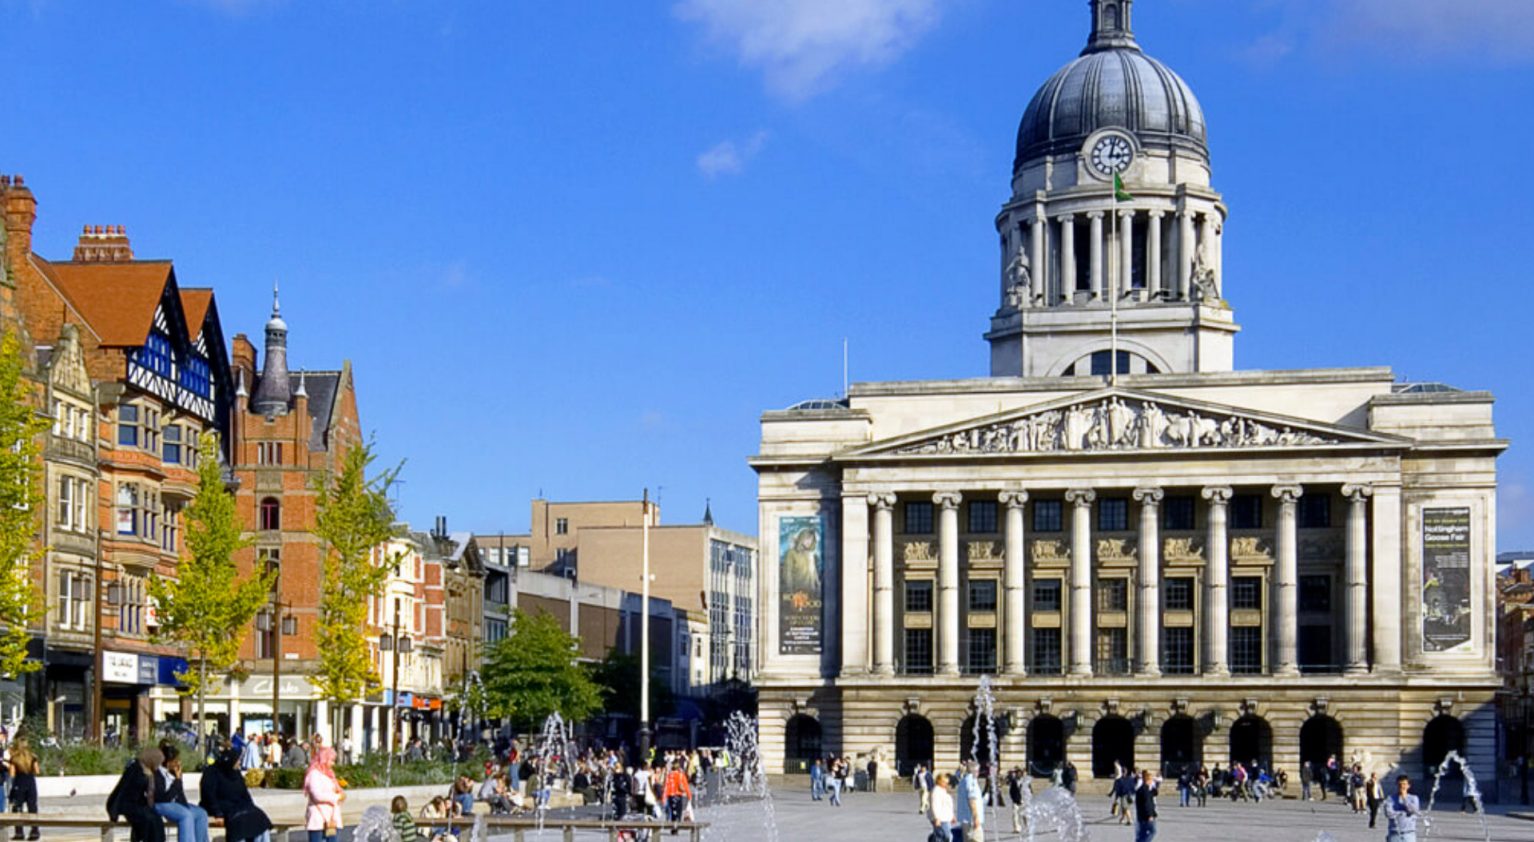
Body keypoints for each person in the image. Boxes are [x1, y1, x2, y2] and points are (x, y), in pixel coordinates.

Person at [200, 745, 273, 842]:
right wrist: (218, 813)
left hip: (239, 805)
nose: (239, 763)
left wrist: (251, 806)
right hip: (222, 806)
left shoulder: (235, 773)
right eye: (237, 760)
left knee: (259, 819)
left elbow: (245, 793)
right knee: (240, 822)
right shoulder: (212, 772)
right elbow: (209, 795)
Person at [153, 744, 211, 842]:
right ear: (168, 762)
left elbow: (179, 793)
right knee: (186, 815)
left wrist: (184, 803)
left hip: (175, 803)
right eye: (175, 761)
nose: (178, 763)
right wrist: (177, 780)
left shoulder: (173, 772)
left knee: (201, 813)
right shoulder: (156, 774)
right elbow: (164, 798)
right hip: (161, 804)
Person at [107, 748, 166, 842]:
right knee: (148, 819)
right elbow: (122, 790)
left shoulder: (150, 770)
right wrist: (114, 813)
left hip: (139, 804)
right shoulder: (135, 769)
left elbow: (158, 790)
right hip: (128, 805)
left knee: (156, 820)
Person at [303, 746, 345, 842]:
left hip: (332, 819)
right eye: (331, 760)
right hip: (318, 820)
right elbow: (317, 795)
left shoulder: (330, 774)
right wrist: (337, 797)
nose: (333, 764)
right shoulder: (314, 774)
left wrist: (340, 792)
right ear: (324, 759)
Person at [7, 738, 39, 841]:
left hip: (19, 783)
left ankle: (19, 832)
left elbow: (11, 774)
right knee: (32, 807)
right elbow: (37, 771)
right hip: (30, 782)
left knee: (17, 808)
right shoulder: (33, 757)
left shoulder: (15, 758)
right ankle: (34, 831)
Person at [1382, 775, 1420, 842]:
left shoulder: (1414, 798)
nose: (1402, 786)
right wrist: (1404, 813)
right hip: (1394, 834)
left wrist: (1404, 798)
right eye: (1400, 784)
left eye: (1404, 784)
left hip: (1409, 834)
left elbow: (1412, 811)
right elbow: (1389, 814)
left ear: (1408, 786)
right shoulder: (1390, 798)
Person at [956, 761, 984, 842]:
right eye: (978, 771)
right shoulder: (972, 781)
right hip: (971, 820)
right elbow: (972, 800)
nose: (978, 773)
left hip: (965, 820)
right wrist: (976, 818)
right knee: (977, 839)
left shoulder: (963, 781)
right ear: (975, 771)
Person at [928, 773, 956, 842]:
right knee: (945, 836)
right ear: (939, 781)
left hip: (945, 818)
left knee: (945, 836)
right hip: (941, 818)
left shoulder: (943, 790)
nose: (946, 784)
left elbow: (948, 805)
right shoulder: (936, 791)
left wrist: (952, 815)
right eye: (944, 782)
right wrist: (937, 818)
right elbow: (935, 805)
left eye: (947, 782)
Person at [1134, 769, 1158, 842]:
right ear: (1148, 780)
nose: (1152, 781)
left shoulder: (1142, 789)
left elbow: (1154, 794)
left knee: (1142, 833)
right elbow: (1147, 804)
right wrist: (1150, 815)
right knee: (1152, 831)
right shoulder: (1145, 790)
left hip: (1141, 816)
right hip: (1146, 816)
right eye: (1151, 780)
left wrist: (1153, 787)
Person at [1006, 767, 1029, 835]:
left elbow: (1029, 790)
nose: (1018, 774)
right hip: (1015, 800)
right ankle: (1017, 828)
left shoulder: (1024, 781)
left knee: (1025, 815)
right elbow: (1011, 791)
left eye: (1019, 773)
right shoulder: (1014, 781)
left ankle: (1027, 827)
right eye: (1017, 773)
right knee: (1015, 814)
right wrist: (1013, 798)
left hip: (1023, 800)